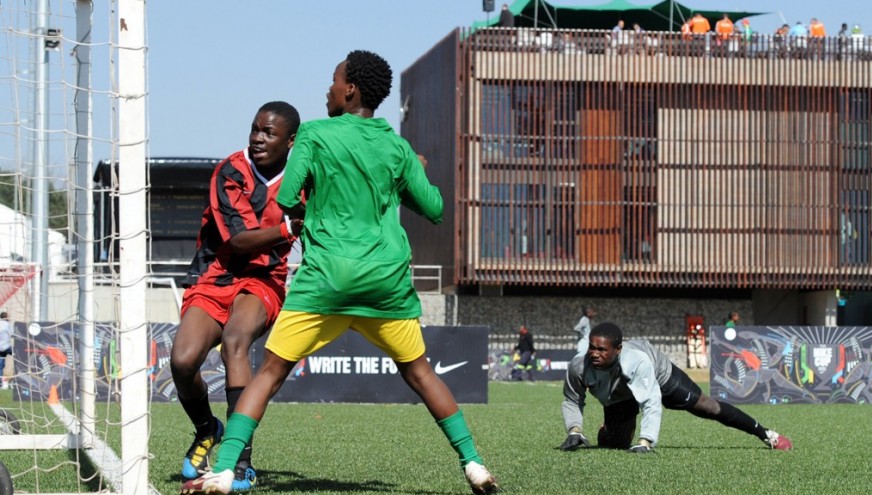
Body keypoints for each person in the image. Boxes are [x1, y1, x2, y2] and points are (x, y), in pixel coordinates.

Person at [180, 50, 499, 495]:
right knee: (422, 373)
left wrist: (326, 182)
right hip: (384, 283)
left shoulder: (313, 134)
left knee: (270, 371)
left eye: (333, 81)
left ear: (349, 89)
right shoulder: (396, 145)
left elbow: (290, 198)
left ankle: (227, 469)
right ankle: (475, 466)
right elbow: (435, 208)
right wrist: (407, 175)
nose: (327, 89)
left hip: (327, 281)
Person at [170, 101, 303, 492]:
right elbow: (239, 240)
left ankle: (240, 462)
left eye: (269, 133)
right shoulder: (231, 169)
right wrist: (290, 226)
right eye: (255, 129)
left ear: (290, 141)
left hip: (264, 278)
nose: (258, 138)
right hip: (215, 275)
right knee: (182, 361)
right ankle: (206, 429)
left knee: (236, 342)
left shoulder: (302, 177)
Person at [559, 322, 793, 453]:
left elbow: (651, 401)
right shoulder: (578, 366)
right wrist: (574, 429)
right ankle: (609, 429)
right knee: (615, 445)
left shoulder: (638, 360)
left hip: (659, 375)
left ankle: (765, 434)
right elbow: (572, 399)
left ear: (618, 350)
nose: (594, 353)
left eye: (602, 350)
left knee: (707, 406)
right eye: (592, 348)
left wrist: (645, 442)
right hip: (620, 394)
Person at [0, 312, 11, 389]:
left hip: (0, 348)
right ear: (6, 317)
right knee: (19, 357)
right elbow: (13, 333)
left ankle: (2, 382)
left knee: (1, 366)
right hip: (6, 347)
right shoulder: (7, 324)